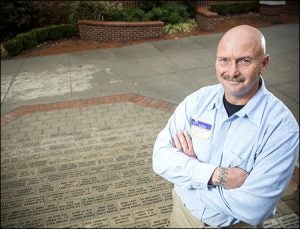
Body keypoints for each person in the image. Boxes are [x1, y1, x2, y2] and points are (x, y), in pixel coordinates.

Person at [152, 25, 299, 228]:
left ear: (264, 63)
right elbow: (160, 159)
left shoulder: (281, 128)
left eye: (244, 60)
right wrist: (217, 176)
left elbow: (254, 207)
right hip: (183, 218)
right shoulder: (196, 102)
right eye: (224, 60)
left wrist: (187, 176)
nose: (232, 71)